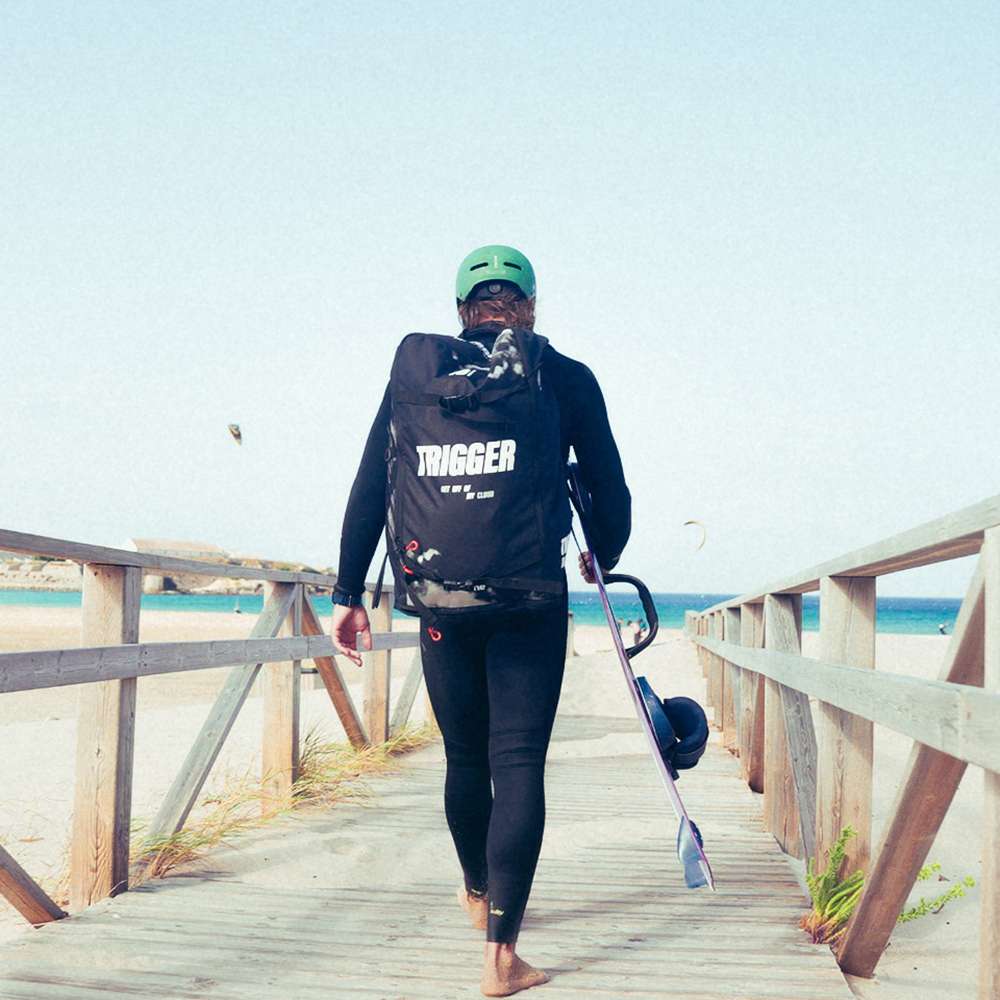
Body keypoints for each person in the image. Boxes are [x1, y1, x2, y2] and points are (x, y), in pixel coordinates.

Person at [330, 244, 631, 996]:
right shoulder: (564, 375)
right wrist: (602, 554)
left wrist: (348, 593)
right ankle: (502, 957)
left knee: (465, 759)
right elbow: (611, 491)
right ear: (528, 305)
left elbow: (371, 485)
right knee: (517, 761)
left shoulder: (418, 381)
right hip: (530, 599)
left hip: (440, 598)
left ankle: (474, 888)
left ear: (462, 309)